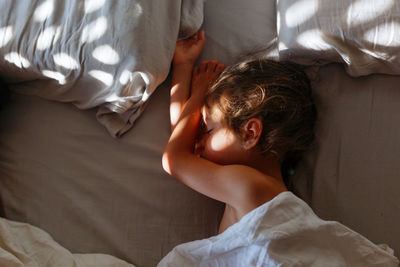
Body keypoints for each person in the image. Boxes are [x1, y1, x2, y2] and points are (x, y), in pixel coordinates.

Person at [162, 31, 316, 233]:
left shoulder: (247, 185)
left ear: (250, 133)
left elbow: (176, 158)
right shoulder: (259, 188)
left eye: (207, 130)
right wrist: (183, 65)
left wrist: (199, 92)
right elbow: (182, 143)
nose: (198, 142)